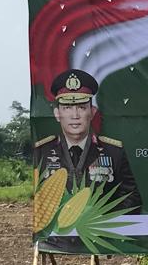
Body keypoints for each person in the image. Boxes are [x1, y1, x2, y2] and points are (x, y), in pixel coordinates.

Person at [33, 68, 141, 214]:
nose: (75, 115)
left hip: (99, 234)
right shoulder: (42, 152)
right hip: (56, 235)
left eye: (82, 108)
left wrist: (100, 218)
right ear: (57, 114)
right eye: (67, 108)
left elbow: (131, 198)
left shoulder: (113, 151)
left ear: (92, 112)